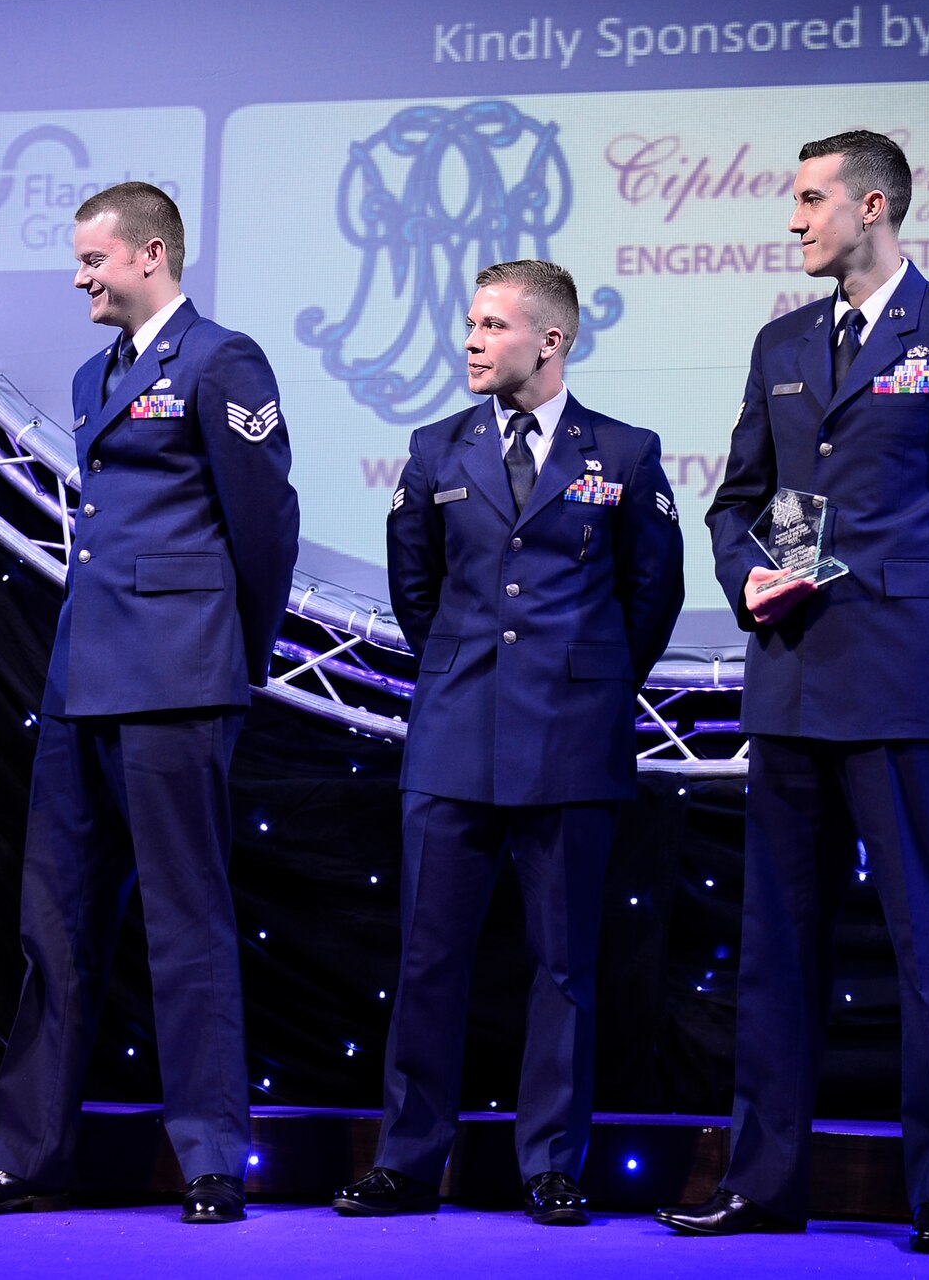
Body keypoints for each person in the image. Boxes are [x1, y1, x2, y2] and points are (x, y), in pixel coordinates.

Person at [656, 130, 929, 1253]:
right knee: (774, 946)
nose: (793, 218)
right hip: (789, 681)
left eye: (810, 198)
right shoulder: (780, 339)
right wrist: (749, 576)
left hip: (903, 676)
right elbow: (741, 500)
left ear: (870, 205)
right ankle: (765, 1180)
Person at [0, 182, 299, 1224]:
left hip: (177, 679)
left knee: (185, 921)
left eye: (91, 258)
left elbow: (264, 525)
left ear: (151, 253)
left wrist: (233, 656)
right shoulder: (96, 373)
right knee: (56, 928)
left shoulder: (222, 361)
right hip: (82, 677)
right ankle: (22, 1153)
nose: (78, 276)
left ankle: (213, 1157)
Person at [332, 260, 684, 1225]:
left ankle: (551, 1167)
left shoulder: (627, 451)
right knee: (427, 959)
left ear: (551, 341)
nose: (473, 341)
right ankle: (407, 1162)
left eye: (493, 325)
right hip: (453, 737)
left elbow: (650, 598)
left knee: (565, 965)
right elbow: (418, 594)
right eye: (472, 323)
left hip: (572, 742)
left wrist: (585, 683)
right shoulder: (435, 449)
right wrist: (462, 671)